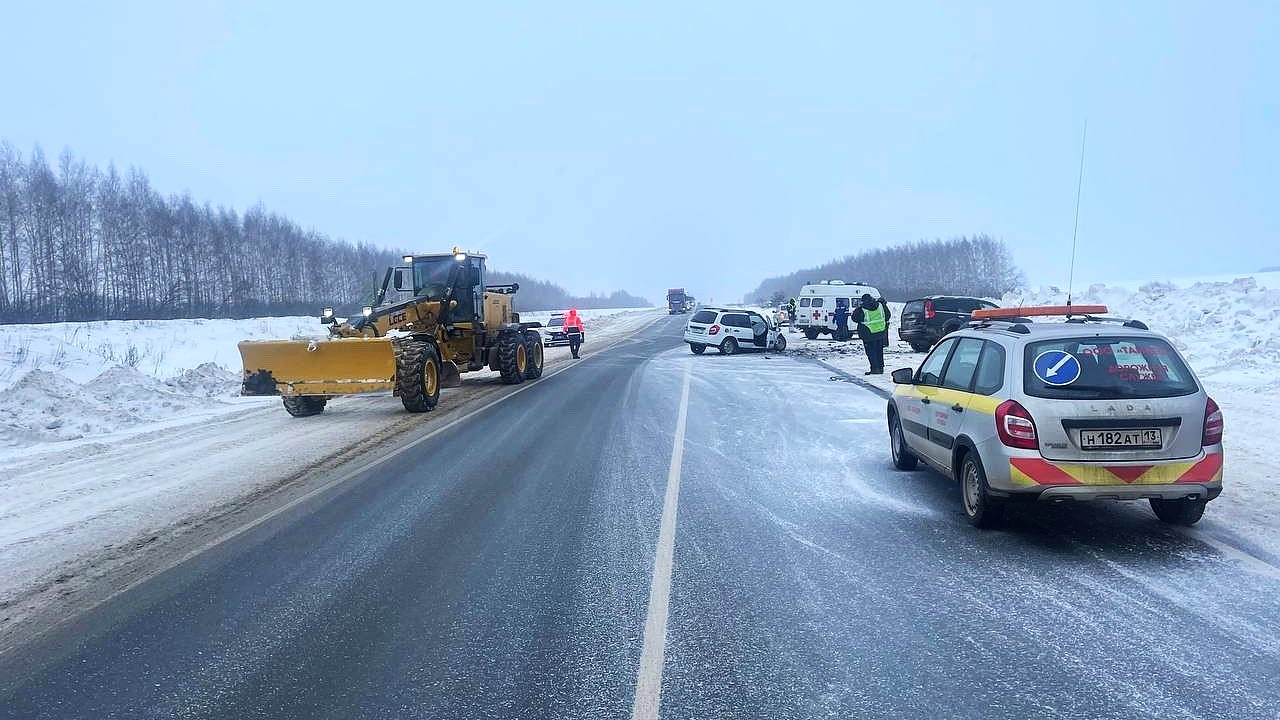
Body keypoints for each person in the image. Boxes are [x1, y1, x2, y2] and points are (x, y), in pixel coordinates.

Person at [852, 293, 891, 374]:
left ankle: (875, 369)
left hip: (868, 334)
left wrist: (857, 308)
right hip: (880, 332)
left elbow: (855, 318)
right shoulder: (880, 305)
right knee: (879, 351)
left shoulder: (862, 309)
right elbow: (888, 315)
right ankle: (881, 368)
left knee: (871, 352)